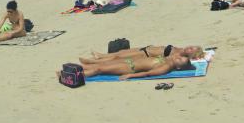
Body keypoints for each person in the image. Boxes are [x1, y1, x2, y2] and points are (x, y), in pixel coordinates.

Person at [58, 53, 194, 81]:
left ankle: (67, 75)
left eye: (181, 60)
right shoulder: (169, 60)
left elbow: (148, 74)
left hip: (129, 68)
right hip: (129, 62)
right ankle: (69, 68)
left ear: (179, 68)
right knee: (100, 64)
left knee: (99, 69)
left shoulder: (166, 68)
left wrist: (130, 75)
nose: (179, 57)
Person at [82, 45, 205, 63]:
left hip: (145, 55)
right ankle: (101, 55)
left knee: (118, 57)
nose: (189, 47)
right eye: (191, 46)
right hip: (145, 48)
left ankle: (96, 61)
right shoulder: (181, 49)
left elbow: (164, 60)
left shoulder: (179, 56)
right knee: (121, 52)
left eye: (191, 50)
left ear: (191, 55)